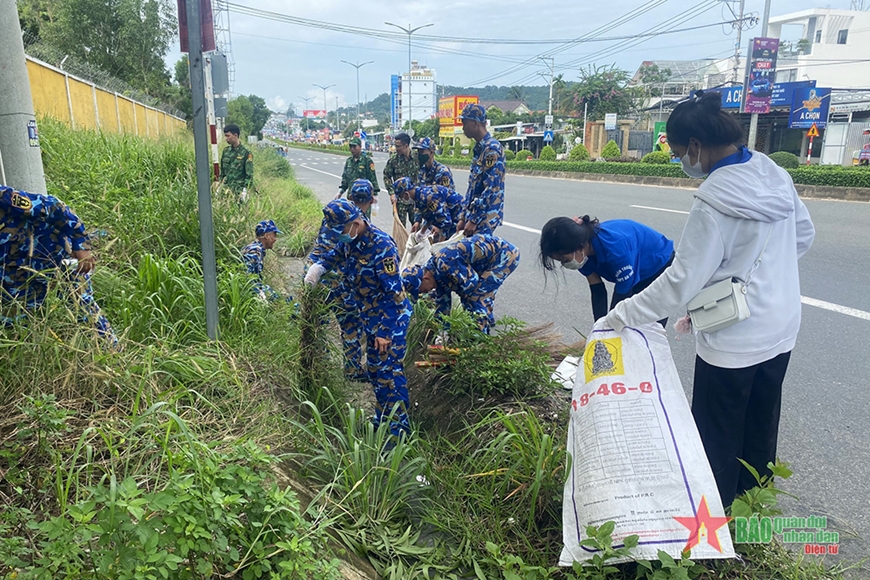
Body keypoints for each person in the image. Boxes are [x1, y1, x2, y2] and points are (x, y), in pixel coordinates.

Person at [602, 91, 815, 507]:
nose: (683, 161)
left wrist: (622, 314)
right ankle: (753, 514)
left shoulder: (712, 201)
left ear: (696, 146)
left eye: (681, 152)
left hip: (733, 337)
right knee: (760, 425)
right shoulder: (773, 171)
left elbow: (680, 282)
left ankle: (712, 527)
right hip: (783, 323)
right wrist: (770, 278)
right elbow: (803, 236)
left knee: (717, 435)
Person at [305, 200, 412, 437]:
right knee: (375, 371)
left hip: (390, 320)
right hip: (372, 318)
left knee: (389, 375)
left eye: (340, 231)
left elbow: (394, 295)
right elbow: (335, 253)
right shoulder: (351, 241)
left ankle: (399, 432)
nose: (338, 236)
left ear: (355, 223)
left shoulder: (381, 247)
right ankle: (382, 419)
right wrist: (319, 267)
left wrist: (384, 332)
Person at [0, 185, 116, 344]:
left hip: (54, 256)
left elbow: (54, 207)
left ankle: (113, 355)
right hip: (14, 274)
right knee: (14, 323)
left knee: (83, 308)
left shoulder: (5, 199)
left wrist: (81, 245)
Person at [539, 216, 674, 325]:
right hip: (635, 272)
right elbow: (597, 290)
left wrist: (609, 328)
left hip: (659, 266)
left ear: (579, 247)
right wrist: (599, 326)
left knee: (648, 328)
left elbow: (622, 297)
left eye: (564, 259)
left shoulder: (616, 250)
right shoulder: (583, 256)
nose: (564, 264)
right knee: (622, 328)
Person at [403, 234, 519, 333]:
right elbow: (443, 305)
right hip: (484, 263)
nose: (423, 293)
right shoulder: (435, 274)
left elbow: (472, 284)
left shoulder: (445, 264)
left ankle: (479, 341)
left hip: (504, 256)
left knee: (477, 296)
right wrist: (442, 333)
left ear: (425, 277)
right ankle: (486, 320)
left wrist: (459, 293)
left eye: (421, 290)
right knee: (471, 297)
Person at [308, 210, 367, 382]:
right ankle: (352, 371)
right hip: (338, 283)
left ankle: (319, 365)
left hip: (321, 281)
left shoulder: (330, 222)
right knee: (350, 325)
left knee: (318, 325)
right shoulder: (353, 226)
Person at [456, 104, 505, 237]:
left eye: (465, 122)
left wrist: (474, 219)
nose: (463, 127)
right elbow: (472, 188)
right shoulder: (479, 148)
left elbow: (491, 188)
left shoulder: (491, 149)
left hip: (484, 218)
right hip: (474, 216)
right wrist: (463, 217)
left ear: (475, 123)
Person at [242, 219, 283, 301]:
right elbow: (246, 277)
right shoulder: (255, 251)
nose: (275, 239)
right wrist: (261, 297)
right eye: (274, 235)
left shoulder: (255, 248)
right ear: (267, 236)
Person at [337, 137, 380, 215]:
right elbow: (345, 178)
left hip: (364, 198)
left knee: (364, 220)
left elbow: (372, 178)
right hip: (351, 197)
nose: (352, 149)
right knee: (352, 220)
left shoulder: (367, 160)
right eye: (351, 147)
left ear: (360, 147)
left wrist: (375, 194)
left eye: (354, 147)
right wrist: (340, 192)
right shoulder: (349, 161)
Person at [382, 133, 417, 227]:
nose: (396, 148)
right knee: (400, 227)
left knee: (418, 226)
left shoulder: (417, 158)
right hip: (400, 200)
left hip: (415, 199)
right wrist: (392, 193)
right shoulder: (393, 160)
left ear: (406, 145)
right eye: (395, 146)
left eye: (398, 146)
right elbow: (387, 176)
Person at [220, 124, 254, 199]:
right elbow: (222, 172)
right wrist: (219, 185)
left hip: (239, 191)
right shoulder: (226, 151)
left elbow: (249, 174)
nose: (226, 138)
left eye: (228, 136)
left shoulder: (246, 153)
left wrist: (246, 190)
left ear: (235, 135)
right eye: (225, 136)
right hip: (226, 189)